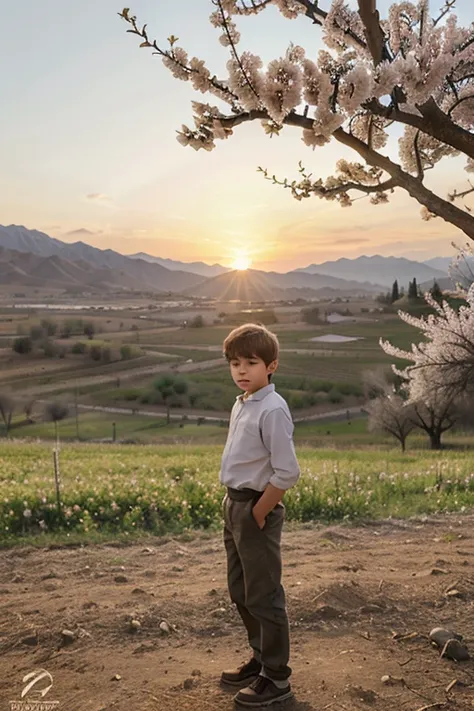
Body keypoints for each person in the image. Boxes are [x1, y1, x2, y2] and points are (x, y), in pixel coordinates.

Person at [219, 323, 300, 707]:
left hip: (256, 508)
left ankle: (277, 678)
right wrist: (235, 507)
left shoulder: (272, 408)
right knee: (241, 591)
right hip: (234, 504)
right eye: (235, 363)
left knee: (264, 595)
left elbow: (287, 472)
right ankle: (261, 659)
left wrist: (258, 512)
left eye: (251, 362)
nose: (241, 370)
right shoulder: (243, 402)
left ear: (272, 366)